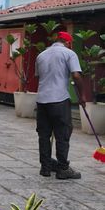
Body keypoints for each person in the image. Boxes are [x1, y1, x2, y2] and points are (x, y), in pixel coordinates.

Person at [35, 30, 85, 179]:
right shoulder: (69, 54)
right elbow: (76, 75)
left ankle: (45, 167)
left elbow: (39, 77)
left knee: (44, 135)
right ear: (68, 43)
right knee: (62, 134)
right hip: (59, 100)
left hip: (42, 100)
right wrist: (81, 96)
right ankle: (63, 168)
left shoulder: (41, 55)